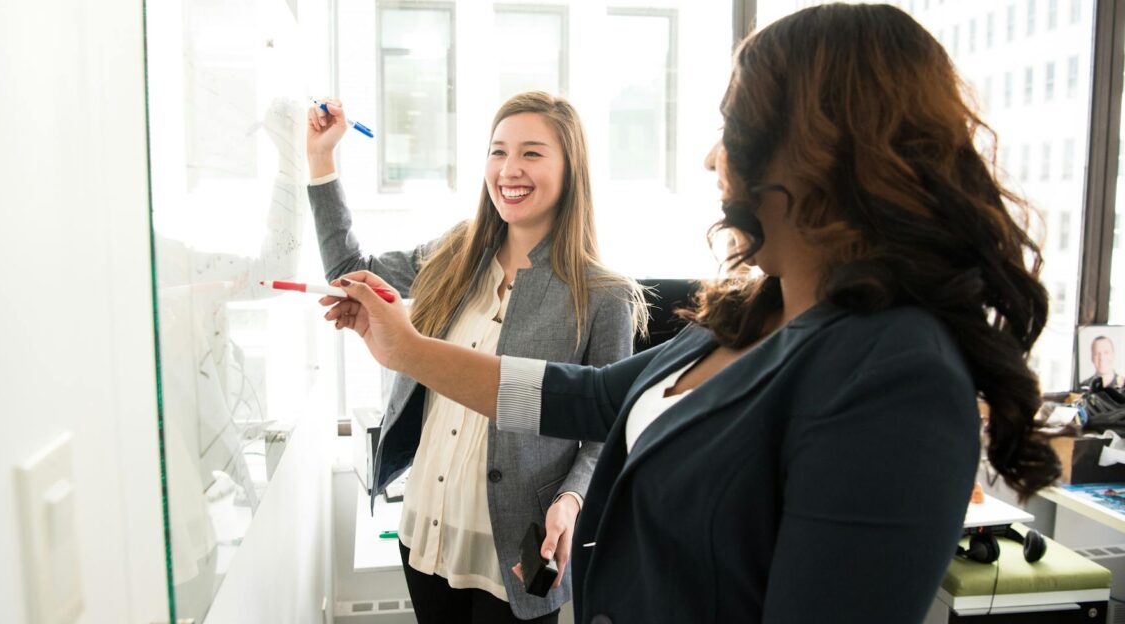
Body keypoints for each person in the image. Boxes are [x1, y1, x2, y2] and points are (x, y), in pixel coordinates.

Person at [319, 5, 1061, 623]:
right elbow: (593, 397)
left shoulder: (896, 373)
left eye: (731, 124)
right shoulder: (746, 314)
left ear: (815, 148)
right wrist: (406, 349)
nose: (711, 158)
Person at [306, 91, 645, 623]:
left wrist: (573, 499)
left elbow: (609, 428)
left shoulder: (602, 295)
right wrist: (322, 159)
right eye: (498, 151)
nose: (510, 169)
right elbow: (350, 269)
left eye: (532, 153)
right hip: (426, 526)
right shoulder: (456, 253)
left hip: (516, 546)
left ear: (570, 168)